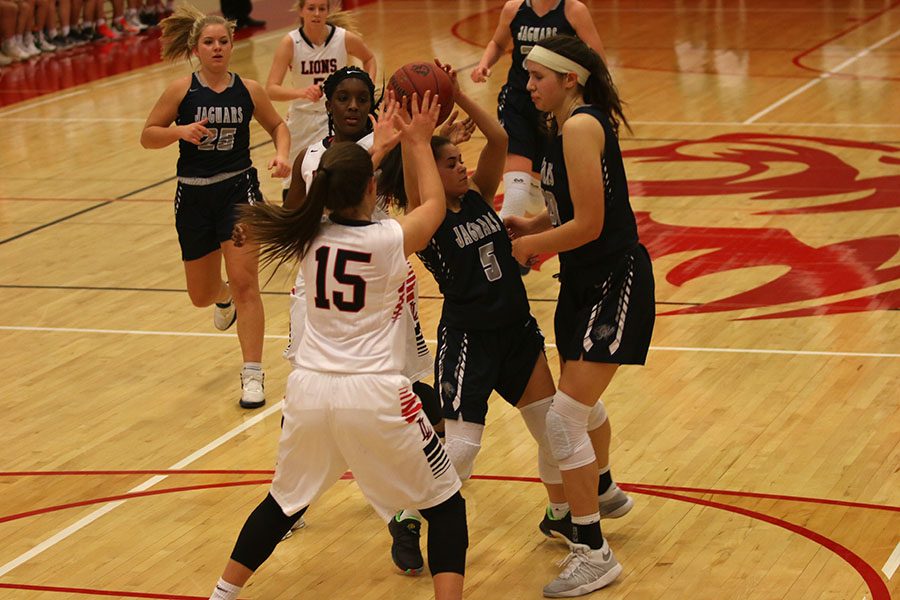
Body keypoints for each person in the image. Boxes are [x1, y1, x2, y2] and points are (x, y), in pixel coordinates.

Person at [378, 60, 633, 579]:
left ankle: (562, 515)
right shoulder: (429, 215)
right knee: (463, 450)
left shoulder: (475, 196)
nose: (462, 168)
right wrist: (418, 139)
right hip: (469, 339)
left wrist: (456, 96)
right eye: (450, 163)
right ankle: (407, 515)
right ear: (432, 172)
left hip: (516, 331)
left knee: (553, 431)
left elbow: (497, 137)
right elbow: (419, 176)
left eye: (460, 161)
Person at [208, 92, 468, 600]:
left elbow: (331, 185)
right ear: (372, 187)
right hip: (374, 394)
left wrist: (376, 149)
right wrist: (415, 141)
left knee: (281, 504)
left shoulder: (306, 231)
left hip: (308, 392)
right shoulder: (386, 239)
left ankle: (222, 595)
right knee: (446, 504)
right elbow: (434, 206)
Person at [503, 35, 655, 597]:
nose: (528, 85)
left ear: (570, 79)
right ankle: (606, 488)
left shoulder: (580, 126)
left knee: (564, 419)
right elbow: (570, 206)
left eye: (537, 76)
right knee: (580, 408)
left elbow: (591, 223)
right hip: (583, 282)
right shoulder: (559, 127)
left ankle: (593, 550)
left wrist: (529, 247)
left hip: (614, 280)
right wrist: (537, 224)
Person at [140, 4, 290, 409]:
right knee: (201, 294)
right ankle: (221, 299)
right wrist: (179, 131)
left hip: (238, 192)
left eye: (223, 40)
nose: (218, 47)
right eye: (209, 42)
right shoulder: (180, 91)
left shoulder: (249, 89)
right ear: (197, 48)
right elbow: (148, 136)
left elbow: (278, 125)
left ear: (231, 44)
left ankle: (253, 375)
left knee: (246, 283)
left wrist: (281, 154)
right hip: (192, 196)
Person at [470, 1, 605, 233]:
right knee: (516, 192)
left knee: (540, 195)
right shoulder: (514, 9)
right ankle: (505, 248)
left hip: (554, 105)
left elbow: (596, 59)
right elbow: (497, 42)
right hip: (518, 101)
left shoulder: (573, 10)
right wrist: (484, 64)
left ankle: (519, 239)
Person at [265, 0, 375, 199]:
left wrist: (367, 87)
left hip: (333, 117)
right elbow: (271, 89)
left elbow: (369, 58)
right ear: (301, 11)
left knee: (333, 172)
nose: (316, 13)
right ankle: (293, 224)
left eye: (321, 8)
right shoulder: (290, 42)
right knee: (293, 179)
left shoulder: (342, 38)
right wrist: (301, 93)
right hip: (302, 118)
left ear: (328, 11)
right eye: (311, 8)